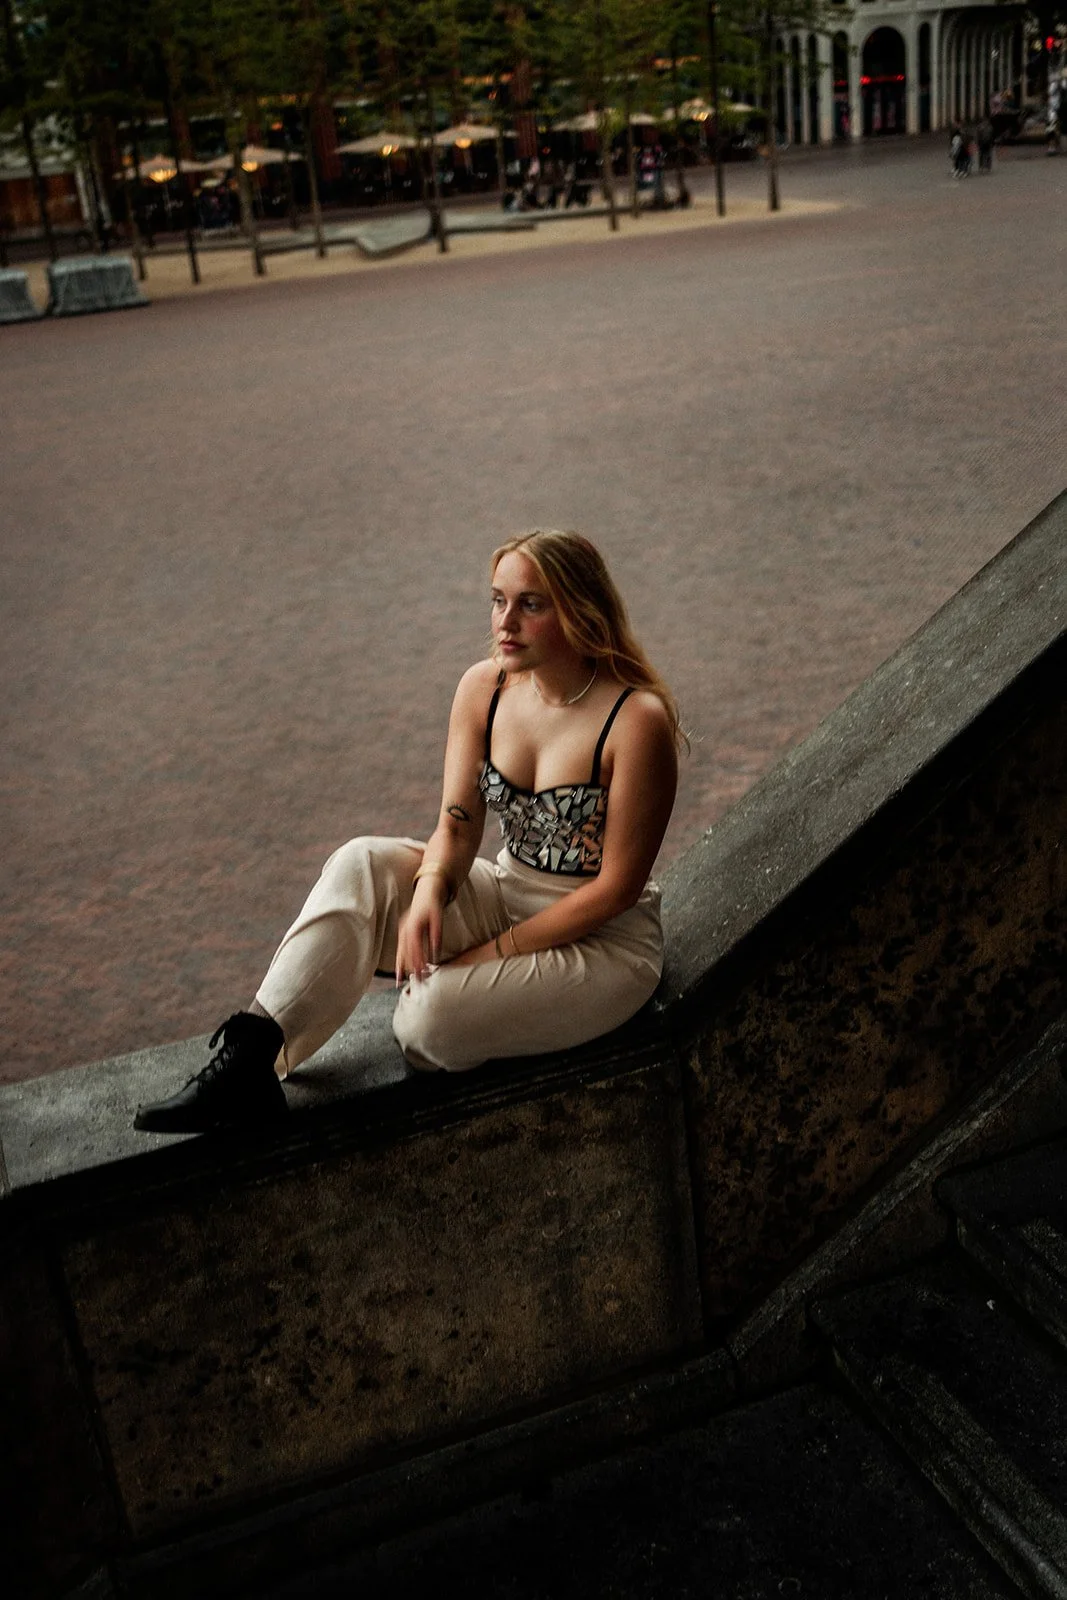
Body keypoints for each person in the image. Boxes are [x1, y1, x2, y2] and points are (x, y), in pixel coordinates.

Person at [134, 531, 681, 1135]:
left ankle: (466, 1001)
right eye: (498, 601)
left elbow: (615, 891)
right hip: (506, 893)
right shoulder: (484, 689)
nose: (505, 622)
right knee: (360, 863)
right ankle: (254, 1056)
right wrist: (428, 890)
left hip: (602, 946)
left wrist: (488, 956)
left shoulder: (636, 720)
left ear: (579, 610)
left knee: (424, 1025)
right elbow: (457, 826)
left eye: (531, 604)